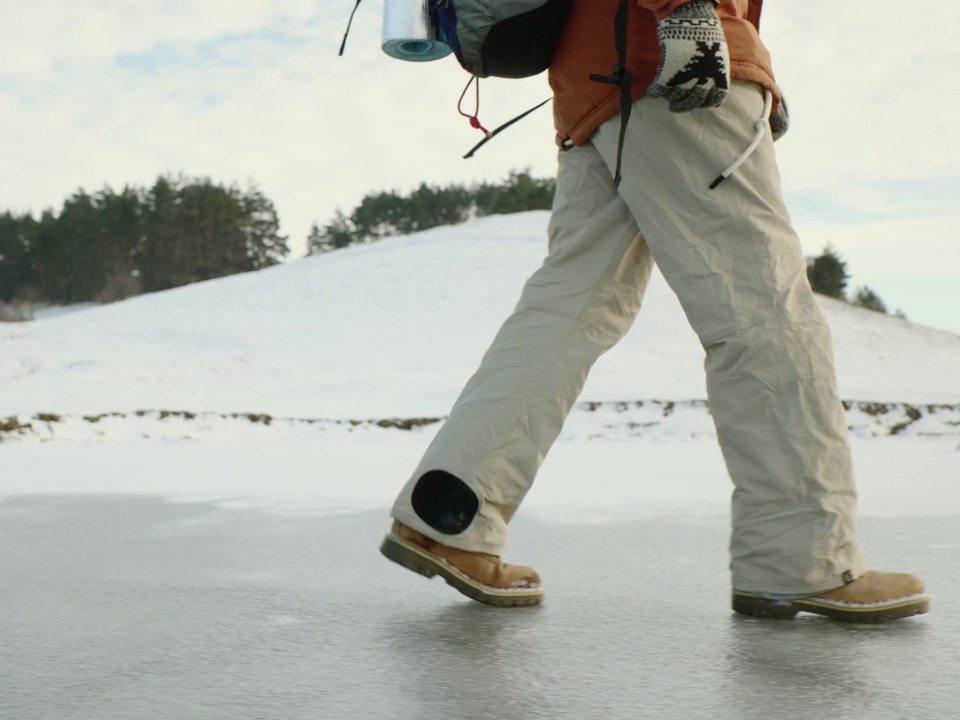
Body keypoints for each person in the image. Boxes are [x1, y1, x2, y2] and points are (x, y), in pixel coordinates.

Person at [379, 0, 928, 623]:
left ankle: (449, 515)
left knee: (567, 311)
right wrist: (689, 14)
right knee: (765, 311)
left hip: (595, 98)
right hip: (669, 66)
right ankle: (803, 558)